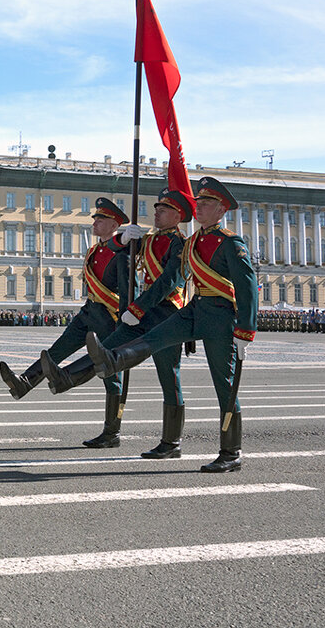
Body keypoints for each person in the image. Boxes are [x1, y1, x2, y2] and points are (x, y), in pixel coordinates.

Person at [87, 176, 258, 473]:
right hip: (195, 309)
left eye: (206, 204)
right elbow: (144, 261)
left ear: (221, 210)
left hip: (220, 315)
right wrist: (125, 238)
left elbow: (247, 287)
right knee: (154, 337)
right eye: (199, 202)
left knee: (225, 385)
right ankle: (114, 361)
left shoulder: (230, 242)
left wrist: (246, 330)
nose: (200, 207)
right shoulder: (190, 242)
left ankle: (231, 452)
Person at [39, 188, 194, 460]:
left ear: (178, 215)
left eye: (163, 209)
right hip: (143, 314)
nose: (156, 212)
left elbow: (169, 282)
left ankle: (171, 441)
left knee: (168, 377)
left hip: (167, 314)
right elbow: (113, 248)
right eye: (156, 208)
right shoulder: (148, 240)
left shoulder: (180, 244)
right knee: (104, 351)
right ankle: (67, 378)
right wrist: (123, 237)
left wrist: (137, 307)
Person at [0, 197, 132, 448]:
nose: (95, 222)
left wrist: (126, 323)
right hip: (88, 312)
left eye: (100, 219)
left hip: (108, 318)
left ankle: (111, 432)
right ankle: (24, 383)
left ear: (114, 224)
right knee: (55, 352)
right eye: (95, 218)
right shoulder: (95, 250)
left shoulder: (123, 256)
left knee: (111, 376)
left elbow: (126, 292)